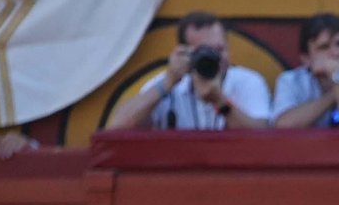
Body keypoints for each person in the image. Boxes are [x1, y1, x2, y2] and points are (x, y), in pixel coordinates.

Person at [105, 11, 271, 130]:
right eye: (205, 51)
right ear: (185, 53)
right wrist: (168, 83)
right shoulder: (170, 83)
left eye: (219, 50)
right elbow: (119, 125)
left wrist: (221, 103)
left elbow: (261, 135)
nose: (215, 58)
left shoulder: (247, 82)